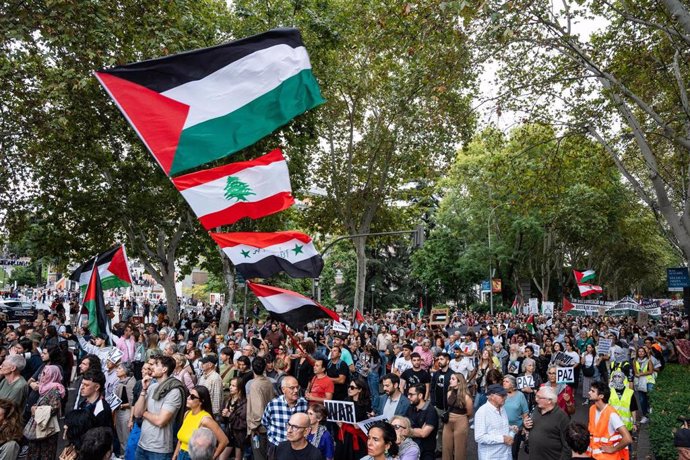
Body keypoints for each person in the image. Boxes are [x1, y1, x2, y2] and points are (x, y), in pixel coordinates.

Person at [134, 355, 186, 459]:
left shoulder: (174, 391)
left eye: (156, 365)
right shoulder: (151, 387)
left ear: (164, 369)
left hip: (159, 450)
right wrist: (144, 390)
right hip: (142, 445)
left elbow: (160, 421)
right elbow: (136, 413)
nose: (151, 367)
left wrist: (144, 413)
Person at [173, 386, 228, 460]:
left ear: (201, 401)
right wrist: (175, 455)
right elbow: (181, 439)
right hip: (181, 454)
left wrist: (213, 457)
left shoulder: (205, 419)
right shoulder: (187, 414)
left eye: (192, 397)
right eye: (189, 394)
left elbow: (224, 441)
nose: (188, 398)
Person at [261, 376, 309, 459]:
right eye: (292, 388)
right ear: (283, 390)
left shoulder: (304, 404)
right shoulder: (273, 404)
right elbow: (265, 422)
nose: (296, 390)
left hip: (296, 448)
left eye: (297, 387)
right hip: (276, 446)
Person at [25, 364, 65, 460]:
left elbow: (54, 408)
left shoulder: (55, 390)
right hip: (40, 427)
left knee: (44, 454)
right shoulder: (44, 388)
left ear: (53, 375)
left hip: (47, 431)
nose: (42, 376)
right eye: (42, 373)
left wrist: (36, 410)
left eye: (45, 374)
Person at [587, 381, 632, 460]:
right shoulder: (592, 409)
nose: (589, 392)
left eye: (593, 391)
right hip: (595, 455)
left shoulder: (611, 414)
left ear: (601, 396)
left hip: (608, 457)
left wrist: (613, 449)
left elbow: (628, 438)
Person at [523, 386, 570, 460]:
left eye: (539, 397)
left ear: (549, 401)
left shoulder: (562, 417)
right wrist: (526, 425)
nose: (536, 399)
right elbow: (532, 426)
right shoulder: (536, 409)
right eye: (536, 396)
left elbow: (567, 444)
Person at [473, 383, 513, 460]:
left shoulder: (502, 408)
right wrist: (502, 439)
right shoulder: (482, 412)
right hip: (491, 456)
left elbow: (495, 427)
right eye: (502, 395)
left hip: (505, 454)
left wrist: (510, 428)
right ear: (491, 396)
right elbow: (479, 437)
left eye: (505, 395)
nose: (505, 397)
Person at [247, 357, 275, 460]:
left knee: (259, 456)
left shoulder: (254, 385)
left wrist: (253, 427)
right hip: (268, 425)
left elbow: (258, 412)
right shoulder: (269, 382)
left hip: (259, 429)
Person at [442, 373, 473, 460]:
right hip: (448, 421)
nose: (450, 380)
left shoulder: (466, 397)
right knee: (446, 447)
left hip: (461, 421)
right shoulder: (449, 393)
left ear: (459, 382)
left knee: (460, 449)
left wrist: (461, 419)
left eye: (453, 379)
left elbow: (469, 412)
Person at [405, 383, 439, 460]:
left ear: (420, 396)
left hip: (426, 452)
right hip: (411, 447)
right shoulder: (410, 407)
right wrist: (418, 431)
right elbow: (404, 424)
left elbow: (423, 433)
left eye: (411, 395)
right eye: (408, 394)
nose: (408, 397)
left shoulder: (431, 411)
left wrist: (407, 430)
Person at [501, 375, 528, 460]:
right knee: (502, 452)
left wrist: (525, 427)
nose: (504, 383)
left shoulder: (520, 395)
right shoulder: (501, 394)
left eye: (507, 381)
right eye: (503, 381)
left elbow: (525, 412)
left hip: (516, 429)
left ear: (512, 384)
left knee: (513, 453)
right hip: (502, 428)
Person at [222, 377, 248, 460]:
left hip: (239, 436)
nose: (230, 387)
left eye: (233, 385)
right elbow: (224, 419)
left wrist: (229, 415)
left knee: (238, 458)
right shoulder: (228, 399)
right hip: (229, 434)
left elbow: (242, 423)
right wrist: (223, 415)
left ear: (239, 388)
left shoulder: (244, 403)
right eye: (230, 385)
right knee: (221, 458)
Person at [114, 362, 137, 455]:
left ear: (125, 371)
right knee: (120, 436)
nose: (117, 370)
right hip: (118, 411)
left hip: (126, 412)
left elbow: (133, 402)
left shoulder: (131, 383)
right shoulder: (119, 382)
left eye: (119, 368)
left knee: (126, 436)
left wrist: (122, 405)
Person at [608, 370, 637, 434]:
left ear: (623, 378)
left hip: (626, 425)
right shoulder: (609, 392)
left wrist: (634, 423)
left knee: (627, 443)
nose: (617, 378)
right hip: (613, 424)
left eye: (619, 376)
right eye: (614, 376)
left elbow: (633, 409)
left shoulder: (630, 392)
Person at [633, 346, 655, 424]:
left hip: (648, 380)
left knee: (650, 396)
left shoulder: (649, 360)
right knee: (642, 400)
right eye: (639, 351)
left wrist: (641, 374)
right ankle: (645, 415)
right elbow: (635, 372)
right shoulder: (635, 361)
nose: (641, 353)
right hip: (639, 381)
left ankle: (651, 411)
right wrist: (638, 375)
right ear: (637, 353)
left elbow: (651, 371)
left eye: (642, 351)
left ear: (645, 353)